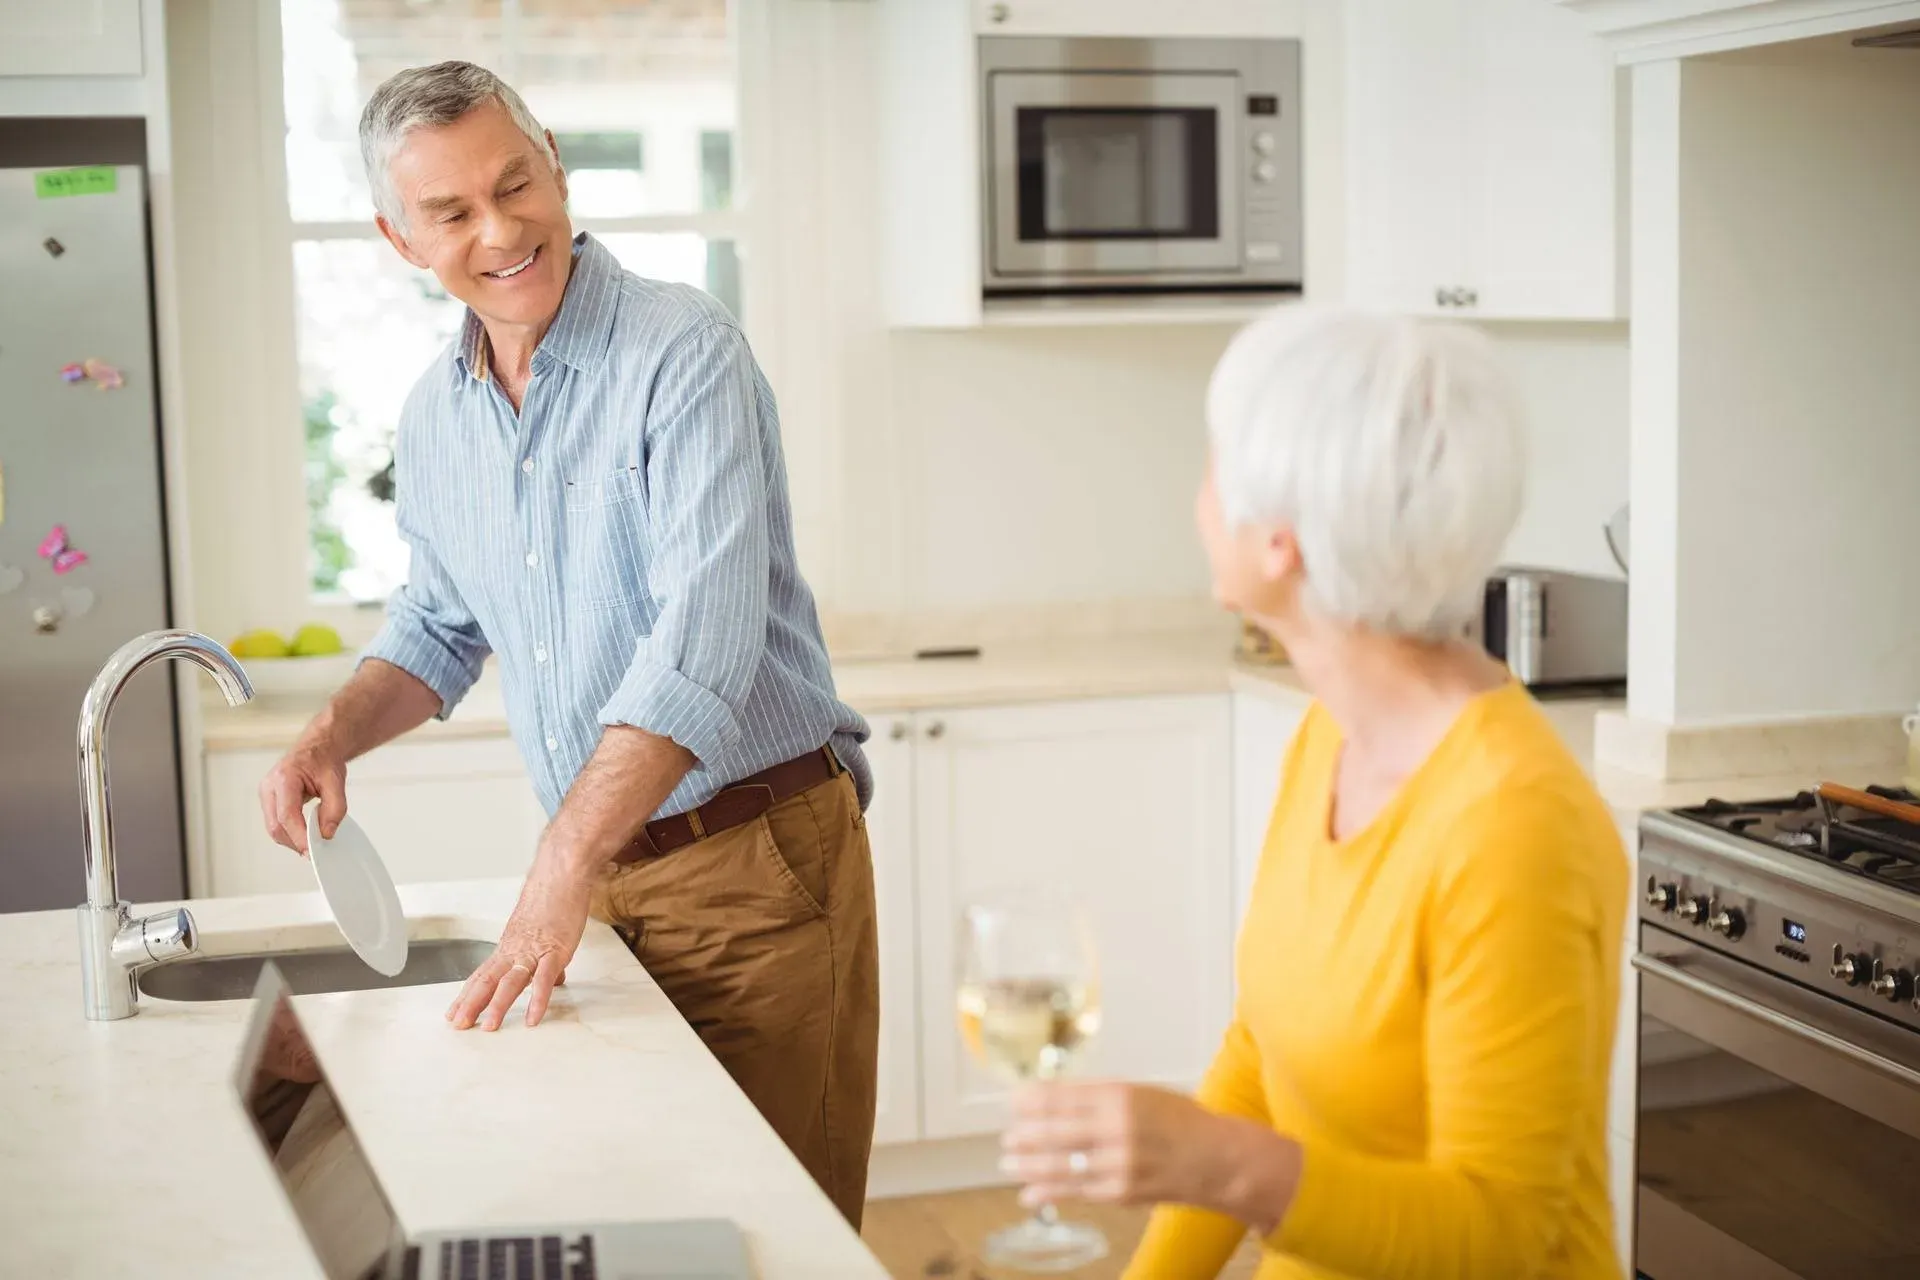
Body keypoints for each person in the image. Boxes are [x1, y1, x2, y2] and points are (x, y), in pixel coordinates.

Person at [256, 61, 879, 1227]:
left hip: (753, 866)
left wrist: (557, 863)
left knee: (776, 1227)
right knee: (642, 1214)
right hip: (601, 878)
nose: (501, 230)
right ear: (401, 239)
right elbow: (438, 626)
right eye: (453, 213)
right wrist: (330, 734)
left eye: (515, 183)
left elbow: (703, 643)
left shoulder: (680, 350)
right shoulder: (439, 414)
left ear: (553, 160)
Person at [1000, 308, 1629, 1278]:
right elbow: (1264, 1054)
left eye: (1213, 469)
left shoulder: (1514, 825)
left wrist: (1218, 1161)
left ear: (1279, 539)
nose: (1198, 500)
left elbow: (1504, 1231)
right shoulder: (1330, 733)